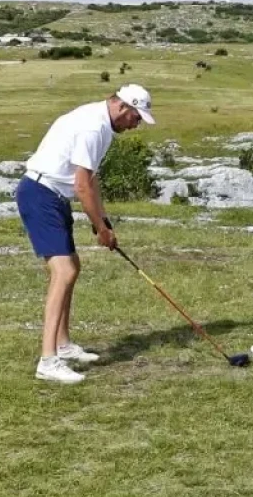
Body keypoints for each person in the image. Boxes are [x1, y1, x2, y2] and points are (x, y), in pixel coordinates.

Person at [16, 84, 155, 383]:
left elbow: (90, 179)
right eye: (136, 117)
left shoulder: (101, 123)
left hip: (53, 195)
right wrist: (102, 230)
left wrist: (101, 222)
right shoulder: (94, 128)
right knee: (63, 271)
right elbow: (81, 186)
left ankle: (63, 347)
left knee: (72, 267)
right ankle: (48, 361)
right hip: (41, 194)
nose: (137, 125)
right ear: (122, 107)